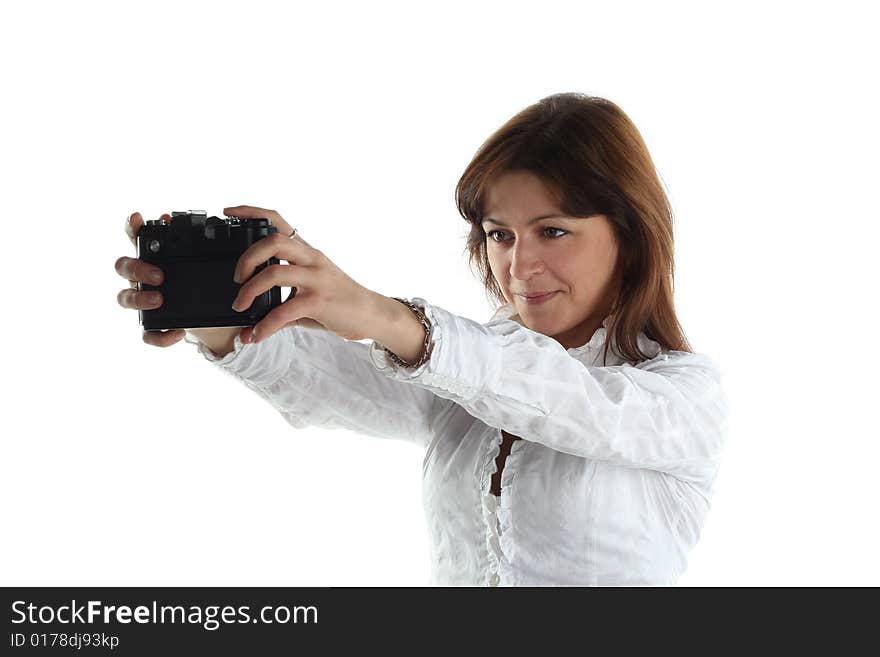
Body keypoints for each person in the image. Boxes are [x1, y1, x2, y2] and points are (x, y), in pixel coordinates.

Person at [114, 92, 729, 586]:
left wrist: (380, 315)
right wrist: (218, 317)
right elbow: (335, 386)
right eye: (500, 235)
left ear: (629, 231)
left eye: (552, 231)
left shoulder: (681, 399)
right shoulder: (464, 380)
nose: (519, 268)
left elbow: (568, 401)